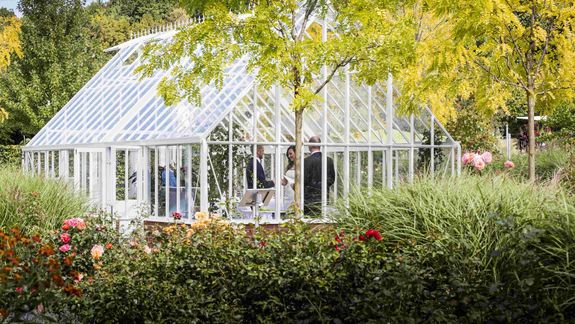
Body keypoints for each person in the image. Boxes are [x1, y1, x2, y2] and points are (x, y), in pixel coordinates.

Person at [303, 136, 335, 216]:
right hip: (323, 196)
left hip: (309, 198)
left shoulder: (306, 161)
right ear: (320, 145)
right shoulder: (329, 160)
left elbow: (304, 180)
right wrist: (322, 186)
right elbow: (332, 179)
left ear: (310, 145)